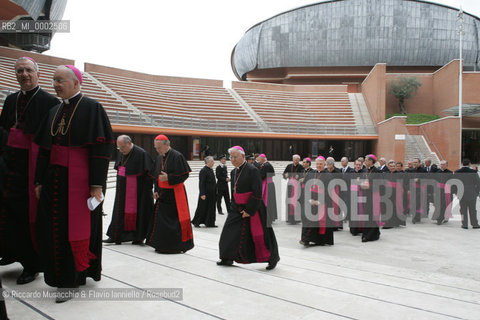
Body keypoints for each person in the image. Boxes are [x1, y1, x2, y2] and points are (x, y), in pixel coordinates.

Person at [34, 65, 113, 302]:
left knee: (74, 230)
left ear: (76, 83)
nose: (55, 85)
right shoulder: (54, 110)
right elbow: (45, 150)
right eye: (54, 80)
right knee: (54, 230)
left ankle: (72, 280)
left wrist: (97, 184)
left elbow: (101, 149)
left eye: (60, 80)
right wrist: (39, 180)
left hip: (80, 183)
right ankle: (60, 276)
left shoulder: (92, 108)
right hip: (54, 180)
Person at [0, 57, 59, 284]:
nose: (23, 74)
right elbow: (4, 128)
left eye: (27, 70)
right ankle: (11, 252)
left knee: (27, 216)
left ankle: (32, 264)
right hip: (8, 166)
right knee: (7, 212)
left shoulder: (49, 101)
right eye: (19, 71)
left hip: (31, 168)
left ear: (37, 74)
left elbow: (50, 140)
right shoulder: (11, 99)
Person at [217, 146, 280, 270]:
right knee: (228, 232)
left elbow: (257, 192)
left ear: (242, 156)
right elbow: (234, 191)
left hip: (254, 207)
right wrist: (232, 206)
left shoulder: (252, 170)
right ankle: (227, 257)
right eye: (231, 157)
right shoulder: (233, 171)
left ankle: (272, 258)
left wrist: (250, 210)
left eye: (235, 157)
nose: (232, 159)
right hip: (236, 208)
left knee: (262, 235)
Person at [147, 134, 194, 253]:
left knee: (174, 221)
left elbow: (184, 175)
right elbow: (156, 177)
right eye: (155, 148)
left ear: (167, 145)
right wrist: (156, 190)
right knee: (160, 220)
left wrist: (169, 178)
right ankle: (160, 245)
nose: (157, 150)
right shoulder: (158, 158)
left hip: (175, 194)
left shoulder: (177, 156)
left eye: (159, 148)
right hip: (162, 193)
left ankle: (174, 247)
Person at [104, 135, 154, 245]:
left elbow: (149, 174)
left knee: (139, 214)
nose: (121, 150)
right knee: (119, 212)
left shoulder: (142, 154)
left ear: (130, 143)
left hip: (138, 192)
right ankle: (115, 236)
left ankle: (138, 237)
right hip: (123, 190)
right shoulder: (122, 153)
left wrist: (146, 190)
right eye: (119, 148)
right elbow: (119, 168)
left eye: (122, 147)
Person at [300, 156, 334, 246]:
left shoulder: (329, 175)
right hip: (310, 201)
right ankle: (305, 239)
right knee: (308, 220)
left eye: (321, 164)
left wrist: (320, 201)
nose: (319, 165)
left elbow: (330, 191)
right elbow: (305, 187)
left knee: (319, 222)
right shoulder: (311, 173)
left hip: (322, 203)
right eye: (317, 164)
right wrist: (309, 199)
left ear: (324, 164)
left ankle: (319, 240)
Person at [454, 159, 480, 229]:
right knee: (472, 209)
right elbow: (478, 183)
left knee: (463, 209)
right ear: (469, 164)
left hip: (461, 193)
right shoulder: (474, 172)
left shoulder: (457, 172)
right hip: (472, 193)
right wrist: (477, 192)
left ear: (462, 164)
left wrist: (456, 192)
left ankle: (464, 224)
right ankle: (474, 224)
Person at [192, 156, 217, 228]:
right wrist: (202, 193)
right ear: (208, 162)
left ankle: (209, 222)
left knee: (211, 208)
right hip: (205, 193)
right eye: (212, 161)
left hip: (212, 194)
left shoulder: (210, 170)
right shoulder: (203, 170)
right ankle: (197, 222)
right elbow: (201, 183)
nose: (213, 162)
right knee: (202, 208)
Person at [283, 154, 303, 224]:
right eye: (294, 159)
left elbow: (302, 176)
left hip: (297, 186)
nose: (295, 161)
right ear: (293, 159)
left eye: (297, 160)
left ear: (299, 160)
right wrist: (285, 175)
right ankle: (289, 218)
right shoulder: (289, 166)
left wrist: (298, 176)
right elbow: (284, 174)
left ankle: (297, 218)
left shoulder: (301, 167)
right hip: (290, 186)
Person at [258, 154, 277, 224]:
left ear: (263, 159)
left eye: (259, 159)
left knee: (267, 201)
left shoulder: (266, 165)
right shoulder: (268, 164)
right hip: (270, 184)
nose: (258, 160)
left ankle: (267, 217)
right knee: (270, 201)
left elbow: (262, 176)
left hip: (267, 185)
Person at [436, 160, 453, 225]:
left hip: (447, 191)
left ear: (446, 165)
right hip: (439, 191)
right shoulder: (438, 172)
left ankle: (441, 218)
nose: (442, 166)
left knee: (445, 205)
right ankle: (439, 217)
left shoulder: (450, 172)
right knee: (439, 204)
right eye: (441, 164)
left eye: (443, 164)